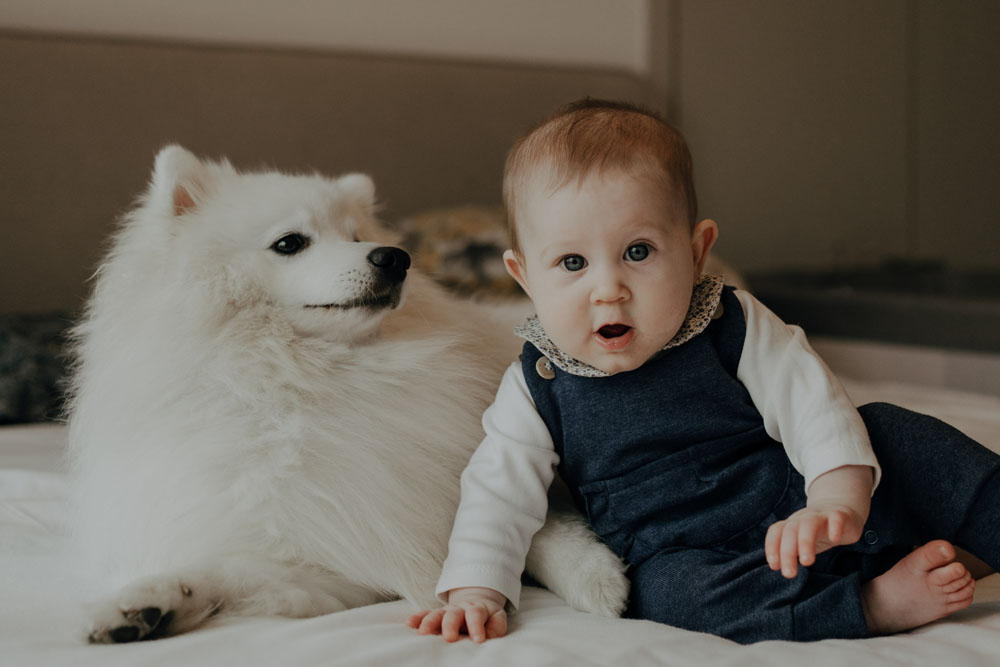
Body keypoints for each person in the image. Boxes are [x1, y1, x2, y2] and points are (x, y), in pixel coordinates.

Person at [405, 99, 999, 644]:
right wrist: (477, 589)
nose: (608, 289)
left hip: (803, 503)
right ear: (523, 275)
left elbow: (812, 403)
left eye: (638, 251)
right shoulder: (537, 384)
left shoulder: (730, 321)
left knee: (894, 432)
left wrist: (834, 500)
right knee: (666, 597)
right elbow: (498, 492)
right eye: (572, 262)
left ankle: (980, 531)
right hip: (686, 550)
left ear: (695, 251)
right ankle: (868, 603)